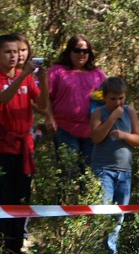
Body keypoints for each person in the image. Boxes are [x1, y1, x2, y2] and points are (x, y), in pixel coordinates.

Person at [0, 33, 48, 254]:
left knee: (22, 197)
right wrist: (25, 75)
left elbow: (42, 103)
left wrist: (44, 79)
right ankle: (3, 249)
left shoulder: (26, 76)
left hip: (24, 147)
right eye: (8, 52)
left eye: (17, 51)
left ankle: (16, 248)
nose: (13, 56)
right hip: (3, 146)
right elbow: (4, 97)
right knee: (4, 197)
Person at [90, 76, 139, 254]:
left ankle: (110, 253)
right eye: (113, 98)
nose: (118, 102)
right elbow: (96, 137)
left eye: (121, 98)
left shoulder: (130, 111)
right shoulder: (99, 112)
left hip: (125, 172)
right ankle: (96, 251)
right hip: (104, 170)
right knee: (103, 211)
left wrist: (124, 135)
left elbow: (138, 139)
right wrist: (112, 118)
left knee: (118, 216)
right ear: (104, 97)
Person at [46, 34, 107, 174]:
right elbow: (47, 97)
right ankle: (67, 196)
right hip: (64, 129)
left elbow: (111, 97)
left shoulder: (97, 74)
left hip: (91, 131)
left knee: (90, 175)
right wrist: (50, 119)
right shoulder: (57, 71)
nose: (81, 54)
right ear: (69, 51)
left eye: (85, 51)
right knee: (68, 173)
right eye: (77, 50)